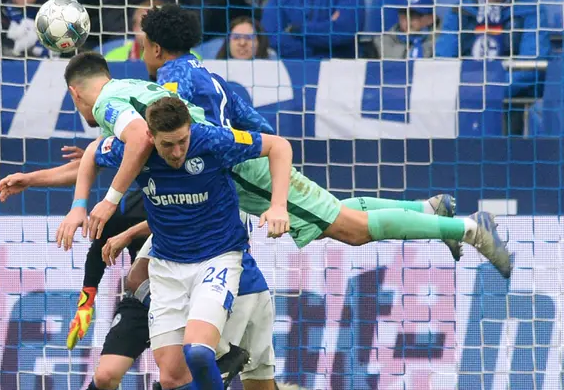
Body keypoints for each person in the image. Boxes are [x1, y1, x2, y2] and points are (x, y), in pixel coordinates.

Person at [62, 49, 512, 280]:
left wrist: (108, 202)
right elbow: (102, 154)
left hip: (245, 173)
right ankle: (428, 212)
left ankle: (470, 229)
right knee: (333, 210)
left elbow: (139, 140)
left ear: (76, 93)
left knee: (349, 228)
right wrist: (66, 195)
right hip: (240, 172)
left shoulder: (112, 107)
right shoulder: (130, 89)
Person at [69, 96, 295, 390]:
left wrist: (278, 204)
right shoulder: (130, 149)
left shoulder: (212, 140)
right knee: (171, 376)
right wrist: (80, 206)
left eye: (181, 142)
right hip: (167, 268)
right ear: (149, 139)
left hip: (217, 258)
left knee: (198, 352)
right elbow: (89, 153)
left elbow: (279, 146)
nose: (176, 152)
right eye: (166, 145)